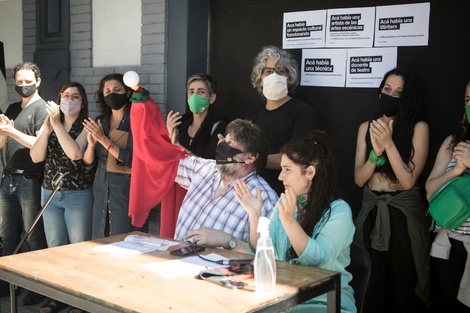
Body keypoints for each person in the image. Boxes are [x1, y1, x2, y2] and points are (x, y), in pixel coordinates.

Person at [234, 130, 356, 313]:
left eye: (287, 170)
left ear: (310, 173)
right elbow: (264, 251)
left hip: (323, 303)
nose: (280, 177)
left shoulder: (339, 211)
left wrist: (289, 222)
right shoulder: (285, 203)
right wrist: (254, 215)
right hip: (284, 301)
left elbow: (319, 260)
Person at [353, 68, 431, 312]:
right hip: (371, 212)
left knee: (403, 284)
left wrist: (388, 144)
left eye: (399, 92)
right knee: (371, 283)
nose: (391, 95)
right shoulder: (366, 127)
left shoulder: (419, 128)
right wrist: (376, 155)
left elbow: (408, 181)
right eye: (387, 89)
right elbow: (358, 178)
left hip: (402, 215)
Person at [30, 82, 94, 313]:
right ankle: (57, 297)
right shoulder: (50, 124)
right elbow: (36, 157)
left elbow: (75, 154)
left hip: (78, 195)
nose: (69, 99)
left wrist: (57, 126)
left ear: (82, 101)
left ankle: (80, 300)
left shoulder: (88, 125)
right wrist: (47, 129)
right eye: (65, 95)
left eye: (75, 96)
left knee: (78, 248)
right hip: (50, 193)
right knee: (55, 248)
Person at [174, 118, 278, 251]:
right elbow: (161, 160)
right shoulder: (205, 169)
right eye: (224, 141)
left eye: (230, 144)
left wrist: (227, 240)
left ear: (250, 157)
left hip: (213, 271)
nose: (222, 146)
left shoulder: (264, 199)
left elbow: (266, 255)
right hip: (175, 262)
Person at [0, 61, 48, 305]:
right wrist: (2, 134)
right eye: (19, 82)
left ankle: (36, 286)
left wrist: (11, 132)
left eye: (28, 81)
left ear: (38, 81)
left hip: (30, 180)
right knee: (7, 235)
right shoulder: (11, 108)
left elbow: (38, 145)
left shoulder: (42, 110)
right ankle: (9, 284)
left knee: (32, 235)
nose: (23, 85)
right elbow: (2, 144)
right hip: (8, 178)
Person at [425, 80, 470, 312]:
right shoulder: (452, 143)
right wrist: (456, 171)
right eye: (468, 100)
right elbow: (430, 191)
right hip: (449, 243)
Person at [246, 45, 317, 195]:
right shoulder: (252, 116)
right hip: (255, 193)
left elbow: (295, 158)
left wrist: (251, 160)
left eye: (280, 71)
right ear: (260, 79)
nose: (274, 75)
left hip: (286, 195)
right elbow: (243, 151)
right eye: (268, 71)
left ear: (289, 77)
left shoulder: (302, 112)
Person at [82, 73, 145, 239]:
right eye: (107, 90)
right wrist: (92, 144)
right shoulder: (101, 121)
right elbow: (89, 162)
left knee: (123, 238)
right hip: (101, 185)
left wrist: (103, 139)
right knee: (100, 236)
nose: (112, 94)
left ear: (128, 92)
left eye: (117, 89)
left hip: (126, 187)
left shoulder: (135, 120)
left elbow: (131, 159)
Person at [166, 73, 227, 158]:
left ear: (212, 98)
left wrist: (178, 145)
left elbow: (208, 165)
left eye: (201, 92)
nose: (195, 96)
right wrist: (168, 135)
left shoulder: (219, 128)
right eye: (191, 92)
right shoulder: (179, 125)